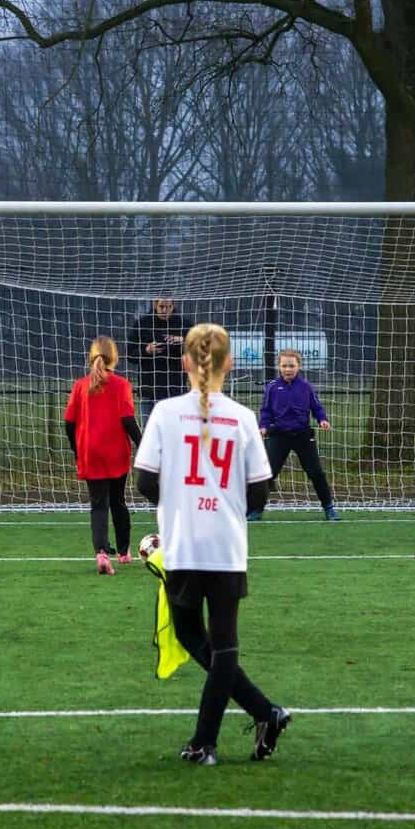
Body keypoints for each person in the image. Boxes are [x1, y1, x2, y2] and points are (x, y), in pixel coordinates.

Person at [134, 322, 290, 766]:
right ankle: (265, 714)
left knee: (195, 635)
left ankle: (206, 742)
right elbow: (259, 492)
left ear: (184, 361)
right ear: (230, 364)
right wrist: (222, 505)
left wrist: (179, 506)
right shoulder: (242, 417)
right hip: (225, 546)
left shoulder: (165, 412)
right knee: (218, 644)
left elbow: (144, 480)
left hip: (184, 544)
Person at [64, 335, 142, 575]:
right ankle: (124, 552)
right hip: (116, 451)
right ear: (114, 358)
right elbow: (128, 420)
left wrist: (78, 450)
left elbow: (68, 423)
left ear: (92, 357)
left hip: (90, 451)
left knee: (98, 505)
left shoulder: (80, 385)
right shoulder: (121, 384)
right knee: (118, 501)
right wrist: (143, 445)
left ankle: (101, 553)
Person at [252, 348, 338, 522]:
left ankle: (329, 508)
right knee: (267, 473)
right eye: (284, 366)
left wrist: (322, 419)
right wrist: (263, 427)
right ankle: (256, 510)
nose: (288, 369)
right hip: (279, 435)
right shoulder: (272, 387)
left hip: (302, 435)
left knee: (316, 472)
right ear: (279, 367)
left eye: (291, 366)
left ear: (299, 366)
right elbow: (266, 411)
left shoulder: (306, 387)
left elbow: (316, 407)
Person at [131, 297, 190, 418]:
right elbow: (130, 354)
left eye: (168, 307)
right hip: (149, 391)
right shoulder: (142, 324)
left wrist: (185, 342)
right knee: (148, 428)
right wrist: (146, 350)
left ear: (173, 306)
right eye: (161, 307)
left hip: (175, 391)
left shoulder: (185, 325)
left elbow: (198, 350)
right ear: (155, 305)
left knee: (174, 428)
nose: (164, 310)